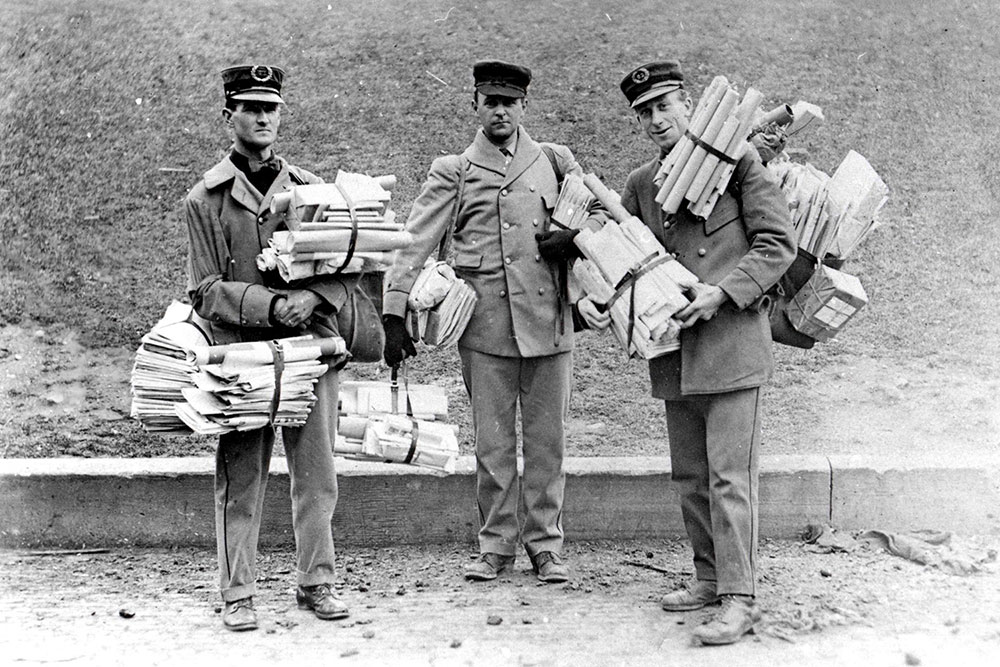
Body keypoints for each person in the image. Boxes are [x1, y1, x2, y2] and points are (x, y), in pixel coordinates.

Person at [381, 60, 602, 584]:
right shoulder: (454, 170)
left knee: (549, 444)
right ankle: (496, 545)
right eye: (490, 101)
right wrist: (394, 311)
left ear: (525, 106)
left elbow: (601, 210)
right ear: (474, 106)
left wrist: (575, 236)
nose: (500, 110)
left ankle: (546, 546)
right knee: (493, 445)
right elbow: (414, 241)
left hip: (549, 322)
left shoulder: (555, 160)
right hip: (486, 330)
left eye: (510, 101)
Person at [600, 60, 796, 645]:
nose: (656, 119)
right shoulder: (641, 183)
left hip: (731, 344)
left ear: (689, 104)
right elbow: (625, 255)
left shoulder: (738, 161)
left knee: (730, 479)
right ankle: (708, 579)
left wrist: (722, 293)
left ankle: (741, 597)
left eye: (665, 106)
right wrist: (600, 300)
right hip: (674, 351)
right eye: (645, 112)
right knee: (691, 477)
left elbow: (777, 244)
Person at [184, 64, 353, 631]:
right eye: (251, 107)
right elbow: (204, 289)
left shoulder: (310, 189)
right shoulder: (205, 200)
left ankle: (317, 582)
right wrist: (269, 304)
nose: (262, 117)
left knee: (317, 472)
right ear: (227, 116)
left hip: (310, 350)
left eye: (271, 108)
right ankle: (238, 593)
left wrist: (316, 297)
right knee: (242, 475)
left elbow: (349, 263)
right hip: (242, 356)